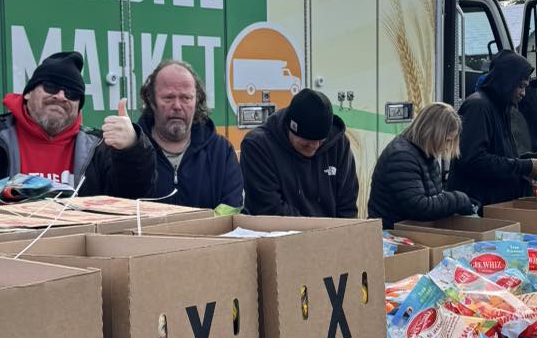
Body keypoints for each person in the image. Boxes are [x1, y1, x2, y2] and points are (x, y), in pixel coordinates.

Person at [0, 51, 155, 197]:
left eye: (72, 93)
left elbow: (134, 194)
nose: (61, 96)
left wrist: (133, 147)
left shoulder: (100, 149)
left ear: (79, 106)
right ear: (27, 94)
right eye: (50, 86)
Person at [446, 51, 537, 206]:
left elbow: (500, 155)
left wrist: (536, 157)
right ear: (507, 81)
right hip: (476, 207)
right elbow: (473, 160)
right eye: (520, 86)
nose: (523, 93)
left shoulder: (499, 108)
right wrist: (525, 166)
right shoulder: (478, 107)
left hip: (492, 205)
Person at [139, 60, 243, 210]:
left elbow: (231, 211)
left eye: (186, 98)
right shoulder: (134, 153)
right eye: (168, 98)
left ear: (197, 101)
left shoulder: (221, 152)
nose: (177, 106)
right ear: (151, 100)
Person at [239, 87, 358, 217]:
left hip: (332, 233)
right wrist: (317, 233)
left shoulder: (338, 145)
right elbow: (268, 210)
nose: (314, 146)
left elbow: (347, 207)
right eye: (306, 142)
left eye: (320, 141)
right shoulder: (259, 147)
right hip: (278, 233)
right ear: (291, 128)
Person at [367, 102, 475, 228]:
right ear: (433, 133)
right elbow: (420, 207)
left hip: (406, 233)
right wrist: (459, 200)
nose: (446, 147)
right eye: (447, 140)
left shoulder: (425, 153)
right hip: (391, 236)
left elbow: (432, 198)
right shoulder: (401, 156)